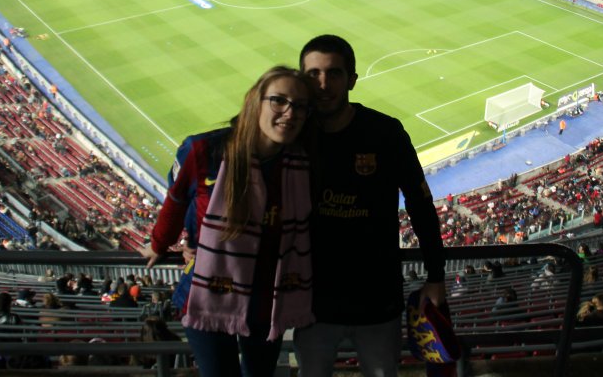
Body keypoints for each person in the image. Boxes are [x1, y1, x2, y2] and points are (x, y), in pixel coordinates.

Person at [141, 66, 316, 377]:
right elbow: (177, 199)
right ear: (255, 101)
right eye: (279, 100)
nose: (290, 113)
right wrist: (160, 243)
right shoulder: (203, 150)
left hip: (267, 299)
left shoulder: (302, 162)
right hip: (207, 295)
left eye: (300, 106)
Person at [294, 34, 446, 377]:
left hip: (377, 299)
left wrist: (436, 275)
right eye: (313, 74)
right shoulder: (294, 135)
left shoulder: (385, 133)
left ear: (352, 79)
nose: (323, 84)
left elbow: (421, 204)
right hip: (314, 302)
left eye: (334, 73)